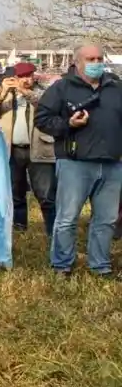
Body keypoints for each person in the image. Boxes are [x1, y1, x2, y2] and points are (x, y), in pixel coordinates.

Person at [36, 44, 122, 277]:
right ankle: (62, 264)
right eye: (90, 59)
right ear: (77, 62)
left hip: (112, 164)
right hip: (75, 163)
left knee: (106, 220)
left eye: (99, 58)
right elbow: (42, 119)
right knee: (67, 218)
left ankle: (100, 265)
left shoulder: (115, 87)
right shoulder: (61, 88)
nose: (96, 63)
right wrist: (68, 124)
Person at [0, 61, 55, 235]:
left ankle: (53, 231)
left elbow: (47, 107)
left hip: (39, 149)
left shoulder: (44, 91)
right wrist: (2, 93)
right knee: (15, 192)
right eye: (21, 77)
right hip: (12, 150)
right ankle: (20, 229)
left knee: (45, 193)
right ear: (14, 77)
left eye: (29, 76)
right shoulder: (2, 93)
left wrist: (26, 93)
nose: (26, 80)